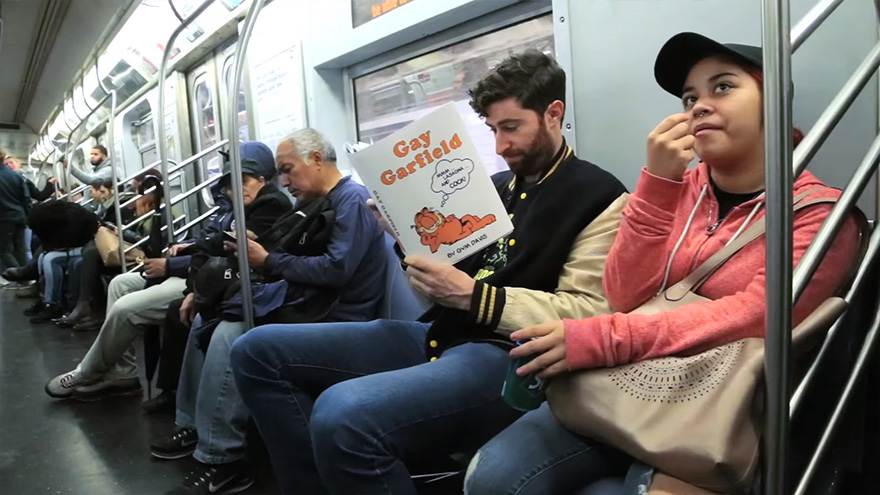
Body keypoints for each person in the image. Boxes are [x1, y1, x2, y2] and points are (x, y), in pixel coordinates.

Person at [462, 32, 862, 495]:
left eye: (724, 87)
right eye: (690, 97)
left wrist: (604, 339)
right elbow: (622, 294)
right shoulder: (677, 187)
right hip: (626, 380)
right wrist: (657, 185)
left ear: (771, 101)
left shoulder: (820, 214)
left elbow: (758, 316)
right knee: (491, 478)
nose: (699, 106)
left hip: (715, 402)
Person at [230, 50, 628, 495]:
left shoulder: (601, 197)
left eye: (511, 127)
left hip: (507, 357)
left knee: (343, 414)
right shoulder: (497, 188)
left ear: (553, 113)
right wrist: (406, 240)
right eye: (493, 130)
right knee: (256, 351)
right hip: (443, 332)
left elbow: (589, 311)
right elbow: (450, 277)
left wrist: (475, 298)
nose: (499, 146)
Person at [153, 128, 388, 495]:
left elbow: (336, 269)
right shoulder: (312, 204)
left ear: (315, 159)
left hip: (338, 315)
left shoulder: (351, 200)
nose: (284, 180)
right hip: (306, 302)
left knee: (234, 331)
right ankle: (194, 425)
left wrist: (270, 259)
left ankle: (223, 459)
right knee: (208, 317)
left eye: (288, 169)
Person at [44, 142, 290, 401]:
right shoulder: (232, 205)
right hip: (196, 267)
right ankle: (123, 372)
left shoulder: (267, 205)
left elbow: (222, 249)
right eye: (229, 182)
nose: (233, 189)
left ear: (261, 178)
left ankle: (87, 371)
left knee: (125, 309)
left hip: (206, 276)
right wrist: (187, 248)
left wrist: (171, 264)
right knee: (120, 283)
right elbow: (209, 241)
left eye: (242, 179)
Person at [0, 149, 31, 286]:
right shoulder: (16, 176)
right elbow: (26, 198)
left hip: (4, 217)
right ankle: (27, 279)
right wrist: (28, 217)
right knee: (20, 249)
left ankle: (21, 279)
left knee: (4, 251)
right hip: (20, 216)